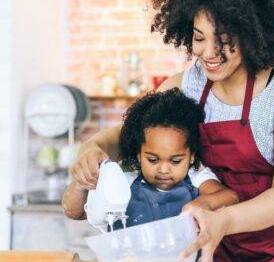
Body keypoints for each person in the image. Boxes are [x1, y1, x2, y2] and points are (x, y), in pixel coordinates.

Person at [69, 0, 274, 262]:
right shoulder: (190, 86)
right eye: (199, 38)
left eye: (223, 41)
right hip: (220, 242)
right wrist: (92, 147)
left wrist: (223, 219)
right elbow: (130, 134)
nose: (208, 53)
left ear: (252, 33)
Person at [62, 89, 239, 228]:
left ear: (191, 156)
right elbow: (74, 212)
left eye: (175, 161)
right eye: (153, 160)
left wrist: (203, 203)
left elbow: (230, 197)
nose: (163, 169)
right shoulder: (126, 178)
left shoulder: (196, 176)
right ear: (139, 155)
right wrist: (81, 183)